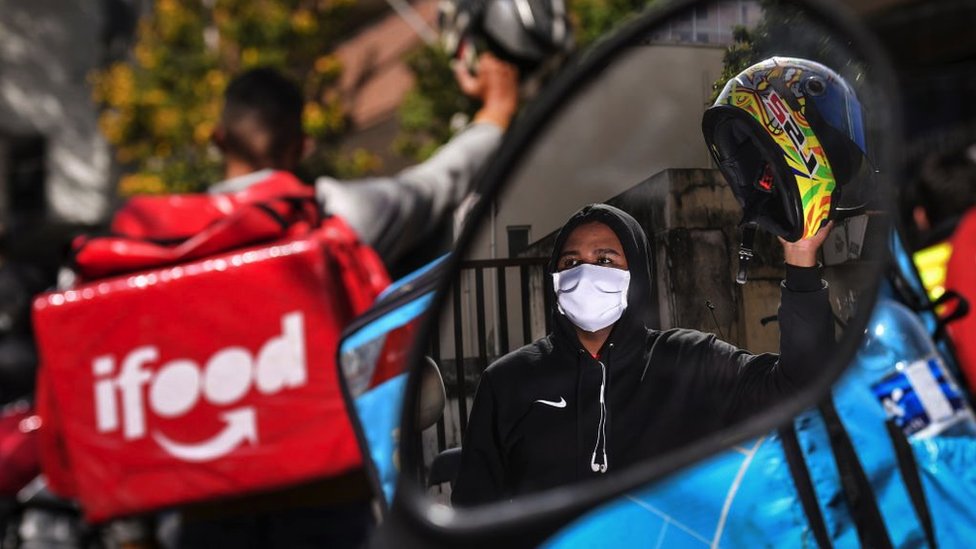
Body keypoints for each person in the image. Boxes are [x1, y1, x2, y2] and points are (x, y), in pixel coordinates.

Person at [91, 53, 517, 549]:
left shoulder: (164, 254)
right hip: (330, 507)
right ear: (303, 144)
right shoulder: (336, 217)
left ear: (217, 138)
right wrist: (499, 106)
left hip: (207, 514)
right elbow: (438, 181)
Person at [451, 203, 833, 505]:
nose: (584, 273)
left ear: (637, 276)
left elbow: (798, 387)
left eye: (605, 260)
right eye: (570, 262)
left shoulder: (689, 360)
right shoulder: (508, 381)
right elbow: (474, 509)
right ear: (555, 277)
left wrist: (801, 258)